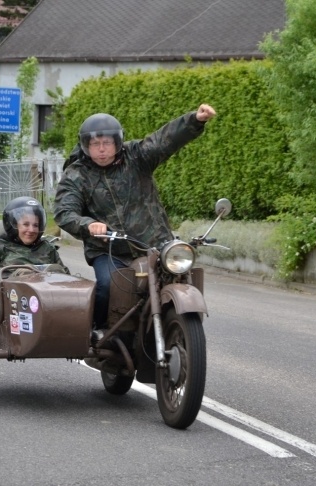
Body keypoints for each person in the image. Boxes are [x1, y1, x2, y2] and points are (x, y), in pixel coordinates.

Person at [53, 104, 217, 332]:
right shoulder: (76, 174)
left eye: (107, 143)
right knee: (107, 286)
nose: (101, 149)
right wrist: (88, 224)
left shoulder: (136, 157)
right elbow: (64, 211)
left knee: (181, 274)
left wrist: (194, 120)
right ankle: (99, 330)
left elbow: (164, 140)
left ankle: (179, 326)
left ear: (117, 142)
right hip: (109, 251)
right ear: (85, 145)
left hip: (154, 245)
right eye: (95, 144)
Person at [0, 196, 69, 311]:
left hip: (47, 302)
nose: (31, 230)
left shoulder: (48, 249)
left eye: (35, 225)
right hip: (10, 302)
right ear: (13, 224)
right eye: (26, 224)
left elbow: (65, 276)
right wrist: (16, 276)